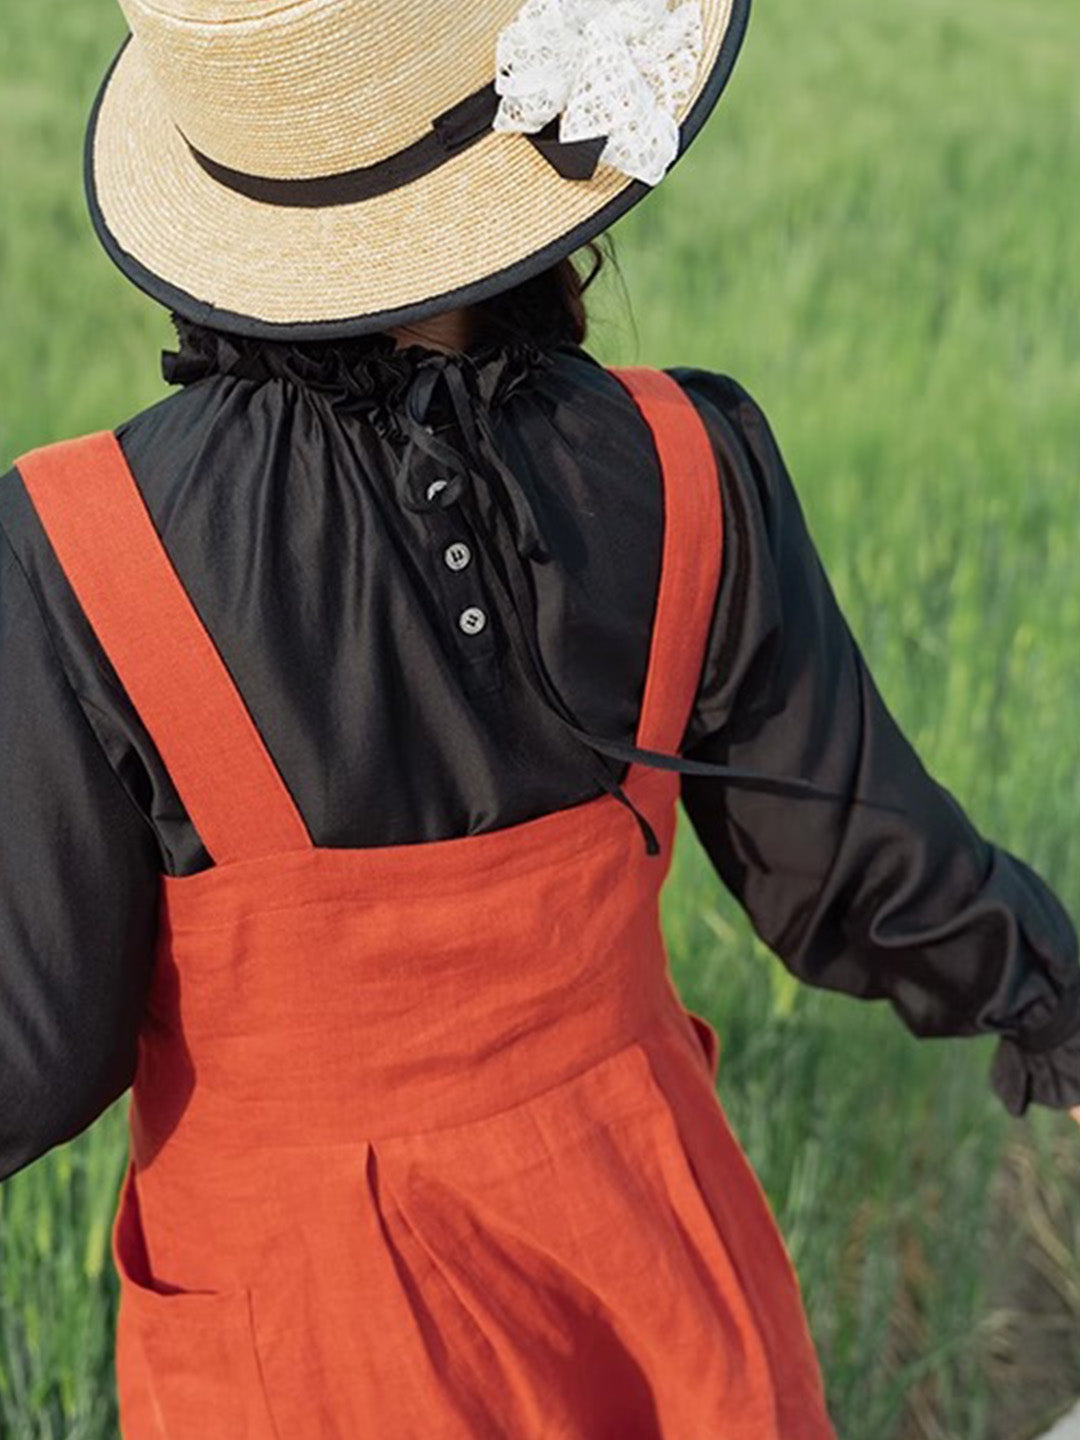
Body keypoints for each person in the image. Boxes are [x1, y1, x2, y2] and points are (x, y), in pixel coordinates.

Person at [2, 0, 1078, 1435]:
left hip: (306, 1341)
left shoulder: (76, 546)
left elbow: (41, 1039)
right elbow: (853, 859)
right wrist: (1053, 1009)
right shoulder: (689, 458)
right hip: (653, 1272)